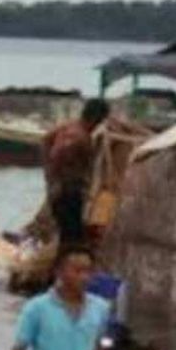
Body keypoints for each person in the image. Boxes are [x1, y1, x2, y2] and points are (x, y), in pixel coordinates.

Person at [41, 98, 110, 244]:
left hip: (61, 188)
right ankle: (70, 260)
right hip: (67, 191)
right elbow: (58, 154)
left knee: (68, 231)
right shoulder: (80, 137)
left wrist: (49, 178)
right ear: (97, 119)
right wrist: (59, 181)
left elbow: (46, 140)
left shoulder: (67, 126)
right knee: (71, 235)